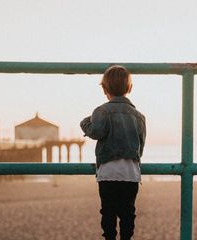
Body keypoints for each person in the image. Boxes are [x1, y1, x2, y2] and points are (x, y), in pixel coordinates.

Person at [80, 65, 146, 240]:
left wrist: (85, 122)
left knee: (108, 212)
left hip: (108, 173)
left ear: (104, 89)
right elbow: (141, 144)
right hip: (131, 173)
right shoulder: (139, 116)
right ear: (129, 88)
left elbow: (96, 132)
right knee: (128, 213)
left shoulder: (101, 111)